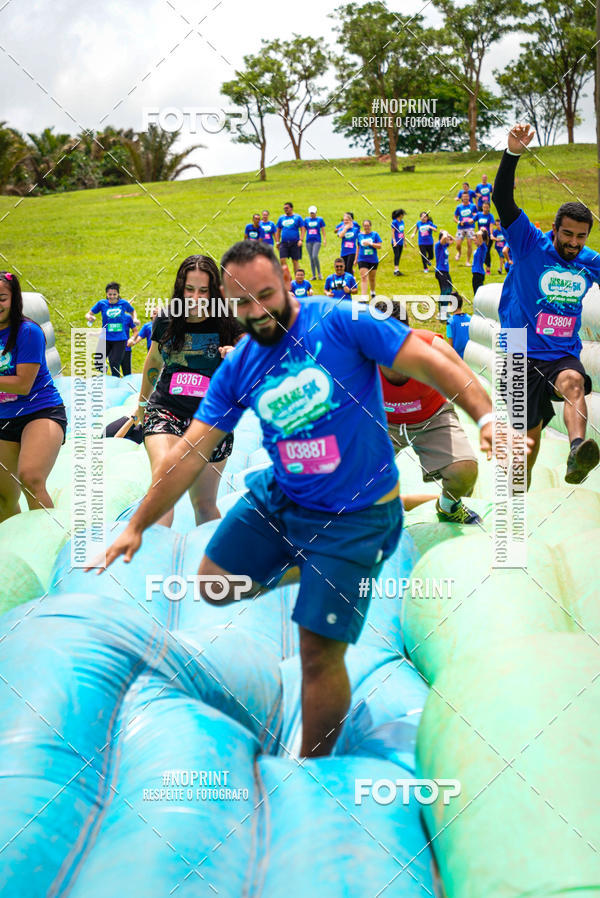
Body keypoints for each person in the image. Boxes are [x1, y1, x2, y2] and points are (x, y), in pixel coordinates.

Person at [97, 240, 499, 759]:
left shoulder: (340, 320)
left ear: (286, 281)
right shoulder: (239, 365)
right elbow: (189, 453)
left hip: (356, 512)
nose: (257, 312)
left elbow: (431, 359)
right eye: (242, 303)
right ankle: (312, 566)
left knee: (316, 653)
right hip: (284, 494)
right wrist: (136, 525)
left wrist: (487, 415)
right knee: (214, 585)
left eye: (265, 295)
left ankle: (314, 767)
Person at [494, 122, 600, 486]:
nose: (573, 242)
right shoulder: (529, 243)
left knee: (574, 382)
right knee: (529, 440)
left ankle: (577, 449)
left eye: (581, 237)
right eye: (567, 234)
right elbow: (503, 201)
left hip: (560, 353)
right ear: (554, 229)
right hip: (518, 349)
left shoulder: (589, 260)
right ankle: (516, 488)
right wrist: (512, 153)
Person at [134, 255, 243, 527]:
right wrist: (142, 406)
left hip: (212, 419)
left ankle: (213, 554)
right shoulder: (167, 319)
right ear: (180, 288)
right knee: (164, 482)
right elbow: (154, 360)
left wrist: (237, 356)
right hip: (166, 410)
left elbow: (256, 359)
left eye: (203, 291)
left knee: (204, 505)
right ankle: (152, 551)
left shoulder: (229, 321)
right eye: (189, 289)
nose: (195, 298)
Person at [379, 320, 481, 524]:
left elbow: (467, 381)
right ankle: (381, 507)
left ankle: (448, 507)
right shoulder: (355, 354)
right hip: (381, 421)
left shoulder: (431, 346)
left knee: (464, 470)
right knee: (348, 474)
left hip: (432, 416)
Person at [0, 271, 66, 522]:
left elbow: (23, 384)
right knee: (3, 497)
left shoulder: (28, 331)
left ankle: (50, 539)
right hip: (4, 418)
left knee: (31, 478)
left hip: (41, 411)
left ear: (14, 300)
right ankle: (14, 543)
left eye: (2, 298)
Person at [86, 282, 138, 377]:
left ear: (118, 294)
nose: (112, 297)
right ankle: (104, 369)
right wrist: (90, 317)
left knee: (114, 363)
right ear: (106, 294)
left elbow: (132, 311)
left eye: (114, 294)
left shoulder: (123, 303)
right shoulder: (102, 303)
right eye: (110, 294)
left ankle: (116, 382)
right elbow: (88, 313)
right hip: (105, 338)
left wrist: (134, 318)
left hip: (120, 339)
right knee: (98, 362)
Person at [276, 202, 305, 275]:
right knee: (282, 259)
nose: (285, 209)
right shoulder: (281, 218)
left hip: (295, 242)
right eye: (284, 208)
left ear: (291, 208)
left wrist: (301, 240)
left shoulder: (297, 217)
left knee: (295, 261)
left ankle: (297, 277)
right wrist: (277, 242)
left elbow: (302, 229)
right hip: (284, 242)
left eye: (287, 208)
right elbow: (278, 230)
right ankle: (287, 277)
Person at [434, 231, 458, 322]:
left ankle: (444, 312)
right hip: (441, 271)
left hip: (445, 272)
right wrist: (444, 234)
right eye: (446, 237)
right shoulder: (438, 245)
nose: (448, 238)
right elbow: (444, 238)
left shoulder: (444, 246)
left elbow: (453, 240)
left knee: (449, 291)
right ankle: (442, 313)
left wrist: (449, 235)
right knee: (445, 291)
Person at [357, 220, 383, 299]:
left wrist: (370, 244)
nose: (366, 227)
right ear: (363, 226)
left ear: (370, 226)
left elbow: (379, 246)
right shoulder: (359, 235)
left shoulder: (374, 234)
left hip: (373, 260)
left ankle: (372, 292)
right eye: (365, 226)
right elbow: (358, 247)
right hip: (362, 259)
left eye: (368, 225)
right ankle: (363, 297)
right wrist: (355, 259)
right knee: (364, 277)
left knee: (372, 278)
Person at [454, 191, 478, 265]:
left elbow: (476, 215)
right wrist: (459, 222)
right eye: (464, 197)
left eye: (467, 197)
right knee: (458, 244)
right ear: (462, 198)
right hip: (461, 227)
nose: (465, 198)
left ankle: (467, 261)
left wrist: (473, 219)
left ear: (469, 197)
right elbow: (455, 217)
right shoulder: (459, 207)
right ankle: (459, 252)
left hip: (470, 227)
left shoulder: (473, 206)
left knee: (469, 244)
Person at [304, 206, 326, 280]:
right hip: (308, 241)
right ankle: (314, 275)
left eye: (313, 213)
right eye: (311, 213)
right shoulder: (306, 220)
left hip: (317, 240)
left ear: (316, 212)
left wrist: (324, 239)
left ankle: (319, 273)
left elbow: (323, 230)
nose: (312, 214)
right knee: (311, 258)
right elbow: (304, 230)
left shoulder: (320, 219)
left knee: (314, 256)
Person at [475, 201, 496, 273]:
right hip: (480, 237)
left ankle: (488, 267)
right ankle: (480, 266)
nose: (485, 209)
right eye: (484, 207)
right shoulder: (479, 215)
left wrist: (491, 234)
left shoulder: (490, 216)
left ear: (489, 208)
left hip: (487, 237)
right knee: (480, 251)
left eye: (487, 207)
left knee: (487, 251)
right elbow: (472, 220)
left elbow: (491, 226)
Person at [471, 229, 488, 297]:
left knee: (478, 294)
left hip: (478, 273)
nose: (474, 242)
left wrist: (481, 230)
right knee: (476, 292)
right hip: (476, 273)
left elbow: (479, 234)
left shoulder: (483, 247)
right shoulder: (479, 248)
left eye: (476, 240)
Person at [120, 312, 136, 376]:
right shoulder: (109, 317)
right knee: (115, 373)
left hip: (126, 349)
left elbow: (135, 331)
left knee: (127, 373)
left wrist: (132, 338)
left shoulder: (128, 317)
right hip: (113, 350)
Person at [391, 208, 406, 275]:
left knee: (399, 255)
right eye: (403, 214)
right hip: (396, 242)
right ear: (400, 215)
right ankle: (396, 270)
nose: (403, 216)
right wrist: (394, 241)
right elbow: (393, 232)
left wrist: (404, 241)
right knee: (396, 255)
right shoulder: (394, 222)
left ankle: (397, 270)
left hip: (400, 241)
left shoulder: (402, 222)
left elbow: (402, 232)